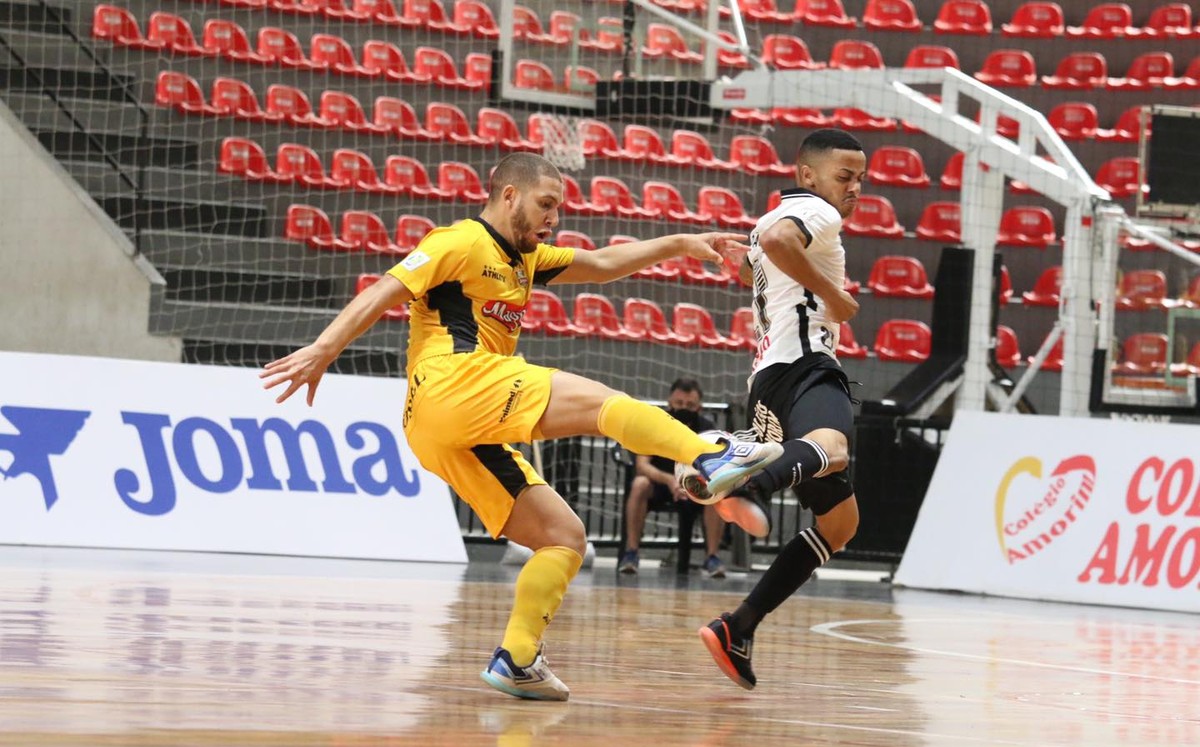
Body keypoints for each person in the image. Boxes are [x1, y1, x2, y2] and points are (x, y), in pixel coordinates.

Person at [260, 152, 783, 701]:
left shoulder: (525, 259)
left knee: (563, 539)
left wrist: (679, 243)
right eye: (546, 205)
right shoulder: (459, 241)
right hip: (451, 381)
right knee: (601, 402)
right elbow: (383, 291)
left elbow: (604, 264)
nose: (554, 217)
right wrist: (323, 350)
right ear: (509, 196)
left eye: (558, 208)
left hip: (443, 428)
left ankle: (518, 657)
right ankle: (707, 454)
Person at [697, 129, 865, 691]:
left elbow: (768, 259)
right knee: (834, 448)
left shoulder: (772, 219)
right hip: (806, 365)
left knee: (840, 523)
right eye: (845, 176)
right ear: (808, 175)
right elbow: (780, 248)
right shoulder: (815, 213)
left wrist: (741, 267)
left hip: (767, 381)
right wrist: (838, 299)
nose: (855, 188)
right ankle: (744, 479)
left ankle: (738, 627)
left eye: (860, 178)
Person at [619, 377, 728, 578]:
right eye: (679, 403)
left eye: (690, 405)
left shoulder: (708, 429)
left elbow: (716, 467)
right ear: (670, 403)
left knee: (717, 492)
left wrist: (692, 483)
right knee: (639, 484)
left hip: (696, 487)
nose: (684, 408)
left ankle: (712, 557)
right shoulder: (656, 424)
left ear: (699, 407)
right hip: (661, 485)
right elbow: (642, 465)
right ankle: (631, 552)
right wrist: (670, 481)